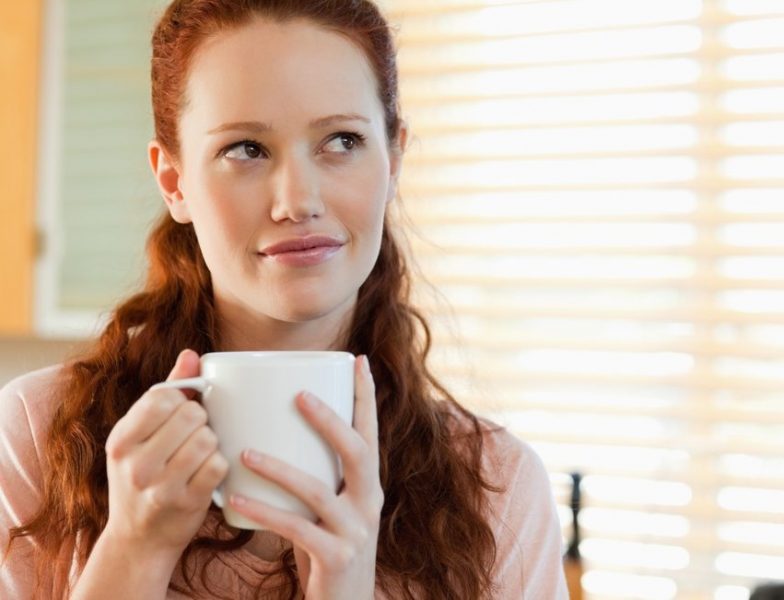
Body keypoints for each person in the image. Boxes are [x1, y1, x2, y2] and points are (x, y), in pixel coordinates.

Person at [0, 1, 567, 598]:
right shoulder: (38, 439)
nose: (297, 200)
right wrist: (133, 552)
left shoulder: (499, 490)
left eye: (342, 140)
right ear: (174, 181)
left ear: (394, 158)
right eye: (246, 149)